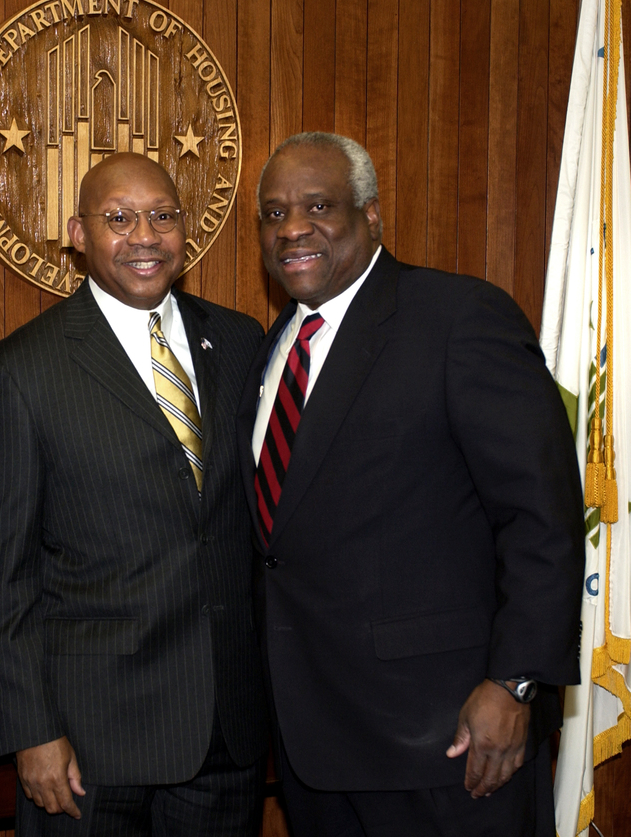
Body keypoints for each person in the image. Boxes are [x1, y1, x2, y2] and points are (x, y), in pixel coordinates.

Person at [239, 131, 585, 836]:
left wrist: (515, 681)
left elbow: (541, 515)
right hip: (315, 748)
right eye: (274, 214)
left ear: (372, 217)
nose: (293, 228)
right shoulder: (270, 349)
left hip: (447, 742)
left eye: (318, 205)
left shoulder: (459, 319)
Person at [0, 152, 269, 836]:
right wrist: (32, 731)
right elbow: (0, 579)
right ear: (78, 232)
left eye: (163, 216)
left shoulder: (242, 339)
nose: (145, 236)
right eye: (119, 218)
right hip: (88, 747)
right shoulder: (23, 370)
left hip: (228, 733)